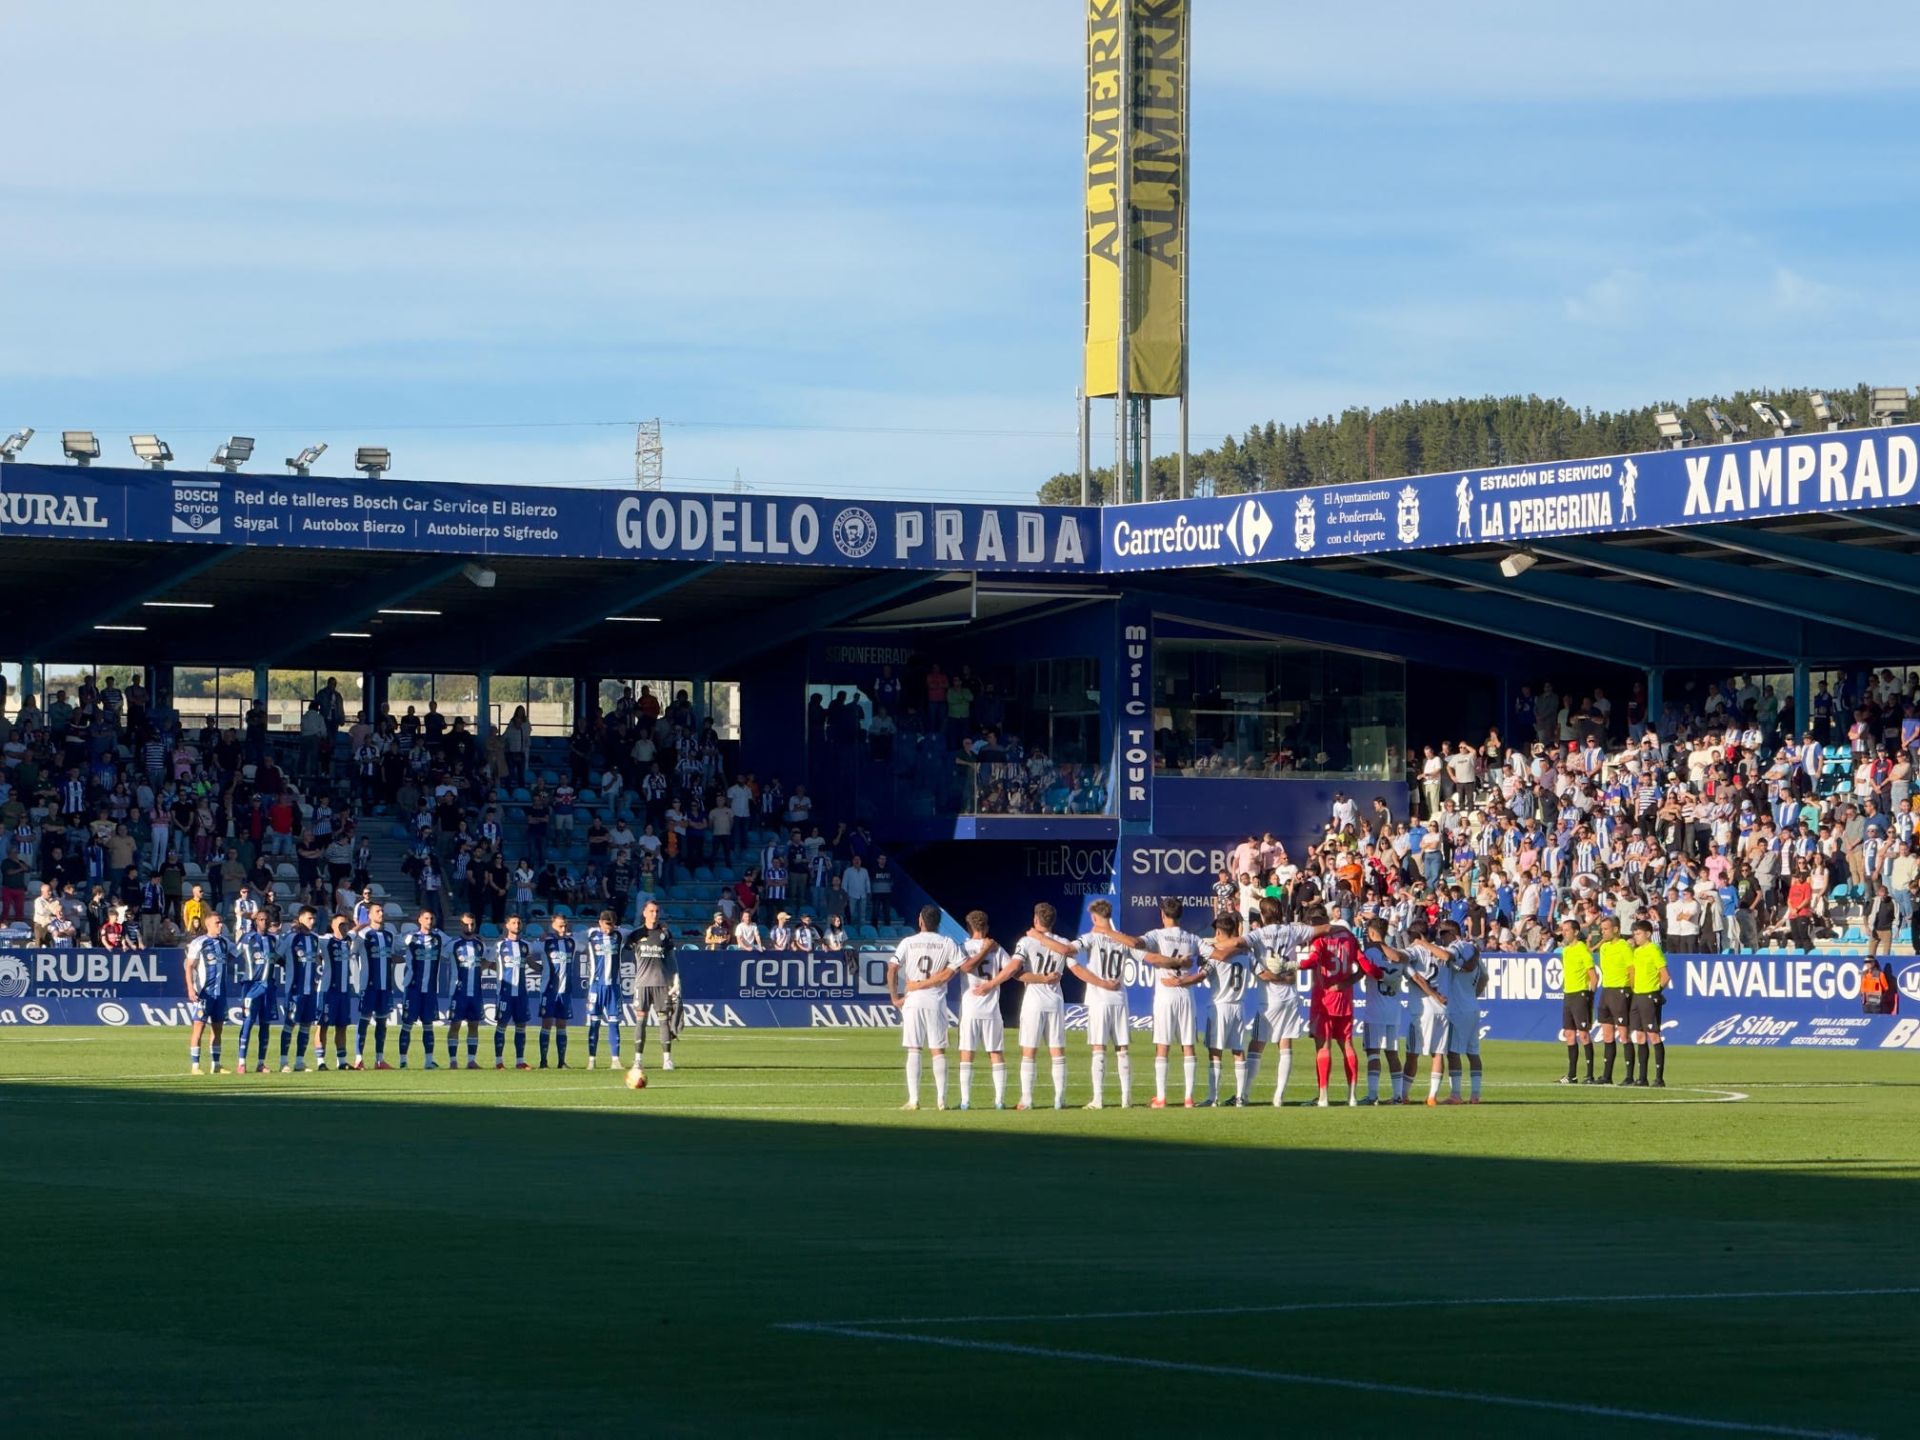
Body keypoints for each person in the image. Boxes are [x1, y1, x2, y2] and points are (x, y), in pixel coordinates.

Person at [1245, 898, 1328, 1107]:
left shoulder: (1258, 935)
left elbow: (1239, 944)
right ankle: (1278, 1096)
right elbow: (1323, 929)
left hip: (1269, 998)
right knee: (1285, 1045)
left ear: (1263, 915)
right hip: (1290, 996)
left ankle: (1243, 1094)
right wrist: (1338, 929)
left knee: (1256, 1045)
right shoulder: (1292, 930)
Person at [886, 904, 964, 1111]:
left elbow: (892, 968)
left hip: (913, 1000)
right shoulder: (947, 942)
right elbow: (952, 971)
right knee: (938, 1050)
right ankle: (942, 1100)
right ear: (938, 922)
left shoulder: (908, 942)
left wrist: (895, 997)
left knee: (914, 1049)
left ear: (920, 920)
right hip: (936, 1000)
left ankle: (914, 1100)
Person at [1067, 899, 1142, 1110]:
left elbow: (1069, 949)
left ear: (1094, 917)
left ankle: (1097, 1099)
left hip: (1099, 998)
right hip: (1119, 997)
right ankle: (1126, 1098)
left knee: (1099, 1048)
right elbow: (1141, 951)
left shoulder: (1091, 938)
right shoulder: (1122, 940)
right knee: (1122, 1049)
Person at [1298, 911, 1363, 1106]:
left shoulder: (1320, 941)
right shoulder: (1348, 939)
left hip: (1324, 997)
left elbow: (1311, 961)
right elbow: (1364, 967)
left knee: (1323, 1046)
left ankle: (1323, 1096)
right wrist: (1347, 983)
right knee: (1347, 1045)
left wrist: (1294, 965)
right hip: (1345, 997)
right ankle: (1352, 1097)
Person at [1140, 898, 1201, 1109]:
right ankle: (1189, 1098)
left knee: (1163, 1045)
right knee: (1188, 1044)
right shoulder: (1191, 938)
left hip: (1165, 993)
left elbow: (1141, 948)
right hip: (1185, 993)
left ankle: (1162, 1097)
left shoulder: (1156, 934)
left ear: (1163, 915)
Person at [1010, 902, 1070, 1110]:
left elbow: (1016, 972)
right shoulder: (1062, 942)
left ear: (1036, 920)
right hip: (1055, 1001)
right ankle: (1059, 1099)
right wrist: (1047, 978)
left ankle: (1026, 1099)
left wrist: (1040, 978)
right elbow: (1070, 954)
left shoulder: (1026, 941)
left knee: (1029, 1051)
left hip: (1034, 1002)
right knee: (1057, 1051)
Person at [954, 909, 1015, 1111]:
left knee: (967, 1053)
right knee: (995, 1052)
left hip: (970, 1008)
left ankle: (965, 1100)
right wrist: (994, 982)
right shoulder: (995, 948)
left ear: (969, 927)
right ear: (986, 927)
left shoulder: (963, 947)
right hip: (991, 1008)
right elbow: (1011, 969)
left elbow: (966, 968)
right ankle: (999, 1100)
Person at [1198, 912, 1252, 1106]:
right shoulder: (1245, 954)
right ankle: (1240, 1097)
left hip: (1219, 1006)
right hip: (1238, 1006)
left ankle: (1213, 1097)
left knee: (1215, 1052)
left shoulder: (1216, 956)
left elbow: (1202, 974)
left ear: (1220, 932)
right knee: (1238, 1051)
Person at [623, 900, 680, 1083]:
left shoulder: (665, 933)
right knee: (641, 1021)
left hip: (661, 983)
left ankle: (667, 1059)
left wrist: (676, 978)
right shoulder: (636, 934)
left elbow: (671, 958)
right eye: (651, 911)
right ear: (644, 913)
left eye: (656, 911)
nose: (654, 914)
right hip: (642, 983)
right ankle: (638, 1060)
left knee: (664, 1020)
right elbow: (622, 943)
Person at [1355, 917, 1408, 1104]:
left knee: (1373, 1053)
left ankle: (1372, 1095)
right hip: (1393, 1012)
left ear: (1371, 933)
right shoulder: (1397, 954)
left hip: (1375, 1012)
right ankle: (1398, 1096)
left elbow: (1360, 973)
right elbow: (1403, 958)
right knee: (1392, 1054)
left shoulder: (1370, 952)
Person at [1438, 921, 1486, 1103]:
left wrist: (1423, 944)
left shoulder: (1456, 947)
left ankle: (1456, 1094)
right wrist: (1472, 994)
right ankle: (1475, 1095)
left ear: (1452, 933)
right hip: (1472, 1006)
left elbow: (1445, 955)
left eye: (1444, 933)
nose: (1442, 937)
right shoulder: (1472, 950)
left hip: (1457, 1009)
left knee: (1453, 1052)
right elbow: (1485, 977)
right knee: (1473, 1052)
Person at [184, 912, 237, 1074]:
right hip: (204, 993)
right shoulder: (199, 943)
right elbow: (189, 966)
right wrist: (191, 988)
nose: (220, 925)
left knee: (218, 1029)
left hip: (220, 994)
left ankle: (216, 1064)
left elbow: (238, 953)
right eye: (217, 923)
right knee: (198, 1028)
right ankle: (195, 1066)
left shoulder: (225, 943)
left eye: (221, 922)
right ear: (208, 925)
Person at [398, 910, 447, 1069]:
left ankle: (428, 1061)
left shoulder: (439, 937)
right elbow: (396, 943)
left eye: (432, 918)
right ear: (419, 920)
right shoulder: (411, 937)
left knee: (428, 1024)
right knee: (407, 1024)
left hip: (430, 989)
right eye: (426, 918)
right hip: (412, 987)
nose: (429, 921)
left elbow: (454, 943)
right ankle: (403, 1061)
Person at [353, 902, 399, 1071]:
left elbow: (391, 956)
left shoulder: (389, 935)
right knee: (364, 1020)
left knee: (382, 1022)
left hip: (385, 986)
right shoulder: (363, 936)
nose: (381, 913)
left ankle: (380, 1060)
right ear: (370, 915)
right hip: (368, 985)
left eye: (382, 910)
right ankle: (359, 1059)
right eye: (377, 911)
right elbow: (351, 951)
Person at [233, 914, 280, 1075]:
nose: (264, 922)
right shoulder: (248, 939)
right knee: (248, 1022)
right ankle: (241, 1062)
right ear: (255, 922)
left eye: (267, 920)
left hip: (269, 987)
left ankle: (261, 1062)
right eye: (261, 919)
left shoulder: (274, 940)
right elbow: (232, 954)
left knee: (265, 1024)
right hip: (251, 987)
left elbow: (280, 959)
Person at [1628, 919, 1672, 1089]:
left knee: (1653, 1035)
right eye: (1635, 933)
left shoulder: (1654, 949)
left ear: (1648, 934)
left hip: (1648, 996)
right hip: (1637, 996)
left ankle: (1659, 1078)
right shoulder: (1637, 952)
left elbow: (1665, 975)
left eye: (1638, 933)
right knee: (1639, 1036)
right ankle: (1642, 1077)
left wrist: (1656, 992)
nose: (1636, 936)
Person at [1555, 917, 1599, 1085]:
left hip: (1581, 994)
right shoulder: (1566, 951)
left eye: (1567, 930)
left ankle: (1589, 1075)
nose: (1564, 933)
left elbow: (1593, 977)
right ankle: (1572, 1075)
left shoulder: (1582, 949)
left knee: (1584, 1035)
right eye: (1563, 930)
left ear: (1576, 932)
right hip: (1568, 994)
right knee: (1570, 1035)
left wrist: (1589, 997)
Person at [1594, 916, 1637, 1085]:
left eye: (1606, 929)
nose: (1603, 932)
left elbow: (1631, 970)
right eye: (1602, 929)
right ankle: (1607, 1075)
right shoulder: (1604, 948)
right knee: (1607, 1034)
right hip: (1606, 990)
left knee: (1624, 1035)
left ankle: (1629, 1076)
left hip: (1621, 991)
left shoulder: (1624, 946)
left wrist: (1631, 990)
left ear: (1616, 929)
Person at [278, 907, 322, 1072]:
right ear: (301, 918)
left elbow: (316, 960)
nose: (313, 921)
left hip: (310, 990)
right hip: (295, 989)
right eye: (310, 918)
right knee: (290, 1024)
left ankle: (299, 1061)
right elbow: (277, 956)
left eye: (314, 918)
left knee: (306, 1025)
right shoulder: (291, 937)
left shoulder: (315, 939)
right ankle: (283, 1062)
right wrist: (289, 967)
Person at [444, 913, 488, 1069]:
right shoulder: (453, 944)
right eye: (467, 924)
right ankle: (453, 1061)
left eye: (472, 925)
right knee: (455, 1025)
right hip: (458, 991)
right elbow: (440, 957)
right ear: (461, 925)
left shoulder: (480, 945)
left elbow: (485, 962)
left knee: (474, 1025)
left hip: (476, 992)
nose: (470, 927)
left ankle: (471, 1060)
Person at [315, 914, 358, 1073]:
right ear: (332, 926)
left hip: (344, 991)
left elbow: (356, 930)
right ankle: (321, 1061)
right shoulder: (325, 940)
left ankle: (342, 1061)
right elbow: (311, 942)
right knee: (322, 1025)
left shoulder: (349, 941)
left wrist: (360, 923)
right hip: (327, 991)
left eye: (345, 924)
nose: (343, 927)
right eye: (340, 924)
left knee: (342, 1026)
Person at [584, 910, 626, 1071]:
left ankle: (615, 1060)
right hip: (596, 987)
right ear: (600, 922)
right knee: (594, 1023)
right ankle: (592, 1060)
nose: (609, 927)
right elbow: (570, 936)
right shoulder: (590, 935)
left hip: (613, 988)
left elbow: (638, 933)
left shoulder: (620, 934)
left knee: (614, 1023)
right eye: (606, 923)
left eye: (612, 924)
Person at [494, 914, 535, 1070]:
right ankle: (498, 1061)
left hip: (522, 993)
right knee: (502, 1025)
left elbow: (532, 964)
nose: (517, 925)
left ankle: (520, 1061)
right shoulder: (499, 946)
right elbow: (489, 963)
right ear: (507, 926)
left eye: (519, 922)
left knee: (521, 1025)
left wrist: (546, 969)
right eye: (513, 923)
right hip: (505, 993)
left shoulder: (526, 946)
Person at [538, 913, 578, 1068]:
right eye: (560, 926)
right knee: (546, 1024)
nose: (563, 929)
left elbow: (589, 936)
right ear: (552, 924)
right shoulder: (544, 942)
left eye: (565, 925)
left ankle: (561, 1062)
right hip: (549, 990)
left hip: (565, 991)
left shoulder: (572, 942)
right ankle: (543, 1061)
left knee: (562, 1025)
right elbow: (526, 951)